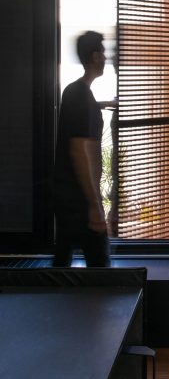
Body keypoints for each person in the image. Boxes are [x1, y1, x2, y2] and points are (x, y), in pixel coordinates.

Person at [53, 30, 110, 267]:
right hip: (78, 200)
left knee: (62, 266)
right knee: (99, 267)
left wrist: (101, 106)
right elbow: (79, 150)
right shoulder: (80, 96)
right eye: (103, 53)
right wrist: (94, 204)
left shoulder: (76, 92)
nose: (105, 58)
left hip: (69, 197)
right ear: (95, 56)